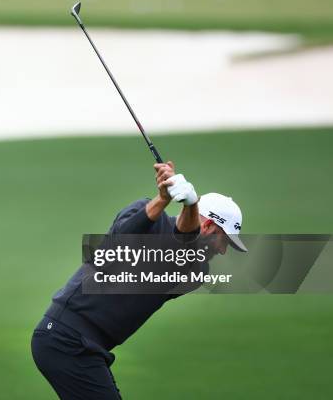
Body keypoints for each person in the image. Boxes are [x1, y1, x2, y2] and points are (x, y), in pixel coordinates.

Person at [31, 161, 247, 399]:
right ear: (208, 225)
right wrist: (163, 198)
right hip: (65, 339)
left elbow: (181, 248)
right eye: (224, 241)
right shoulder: (144, 210)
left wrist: (190, 204)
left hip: (84, 347)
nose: (224, 251)